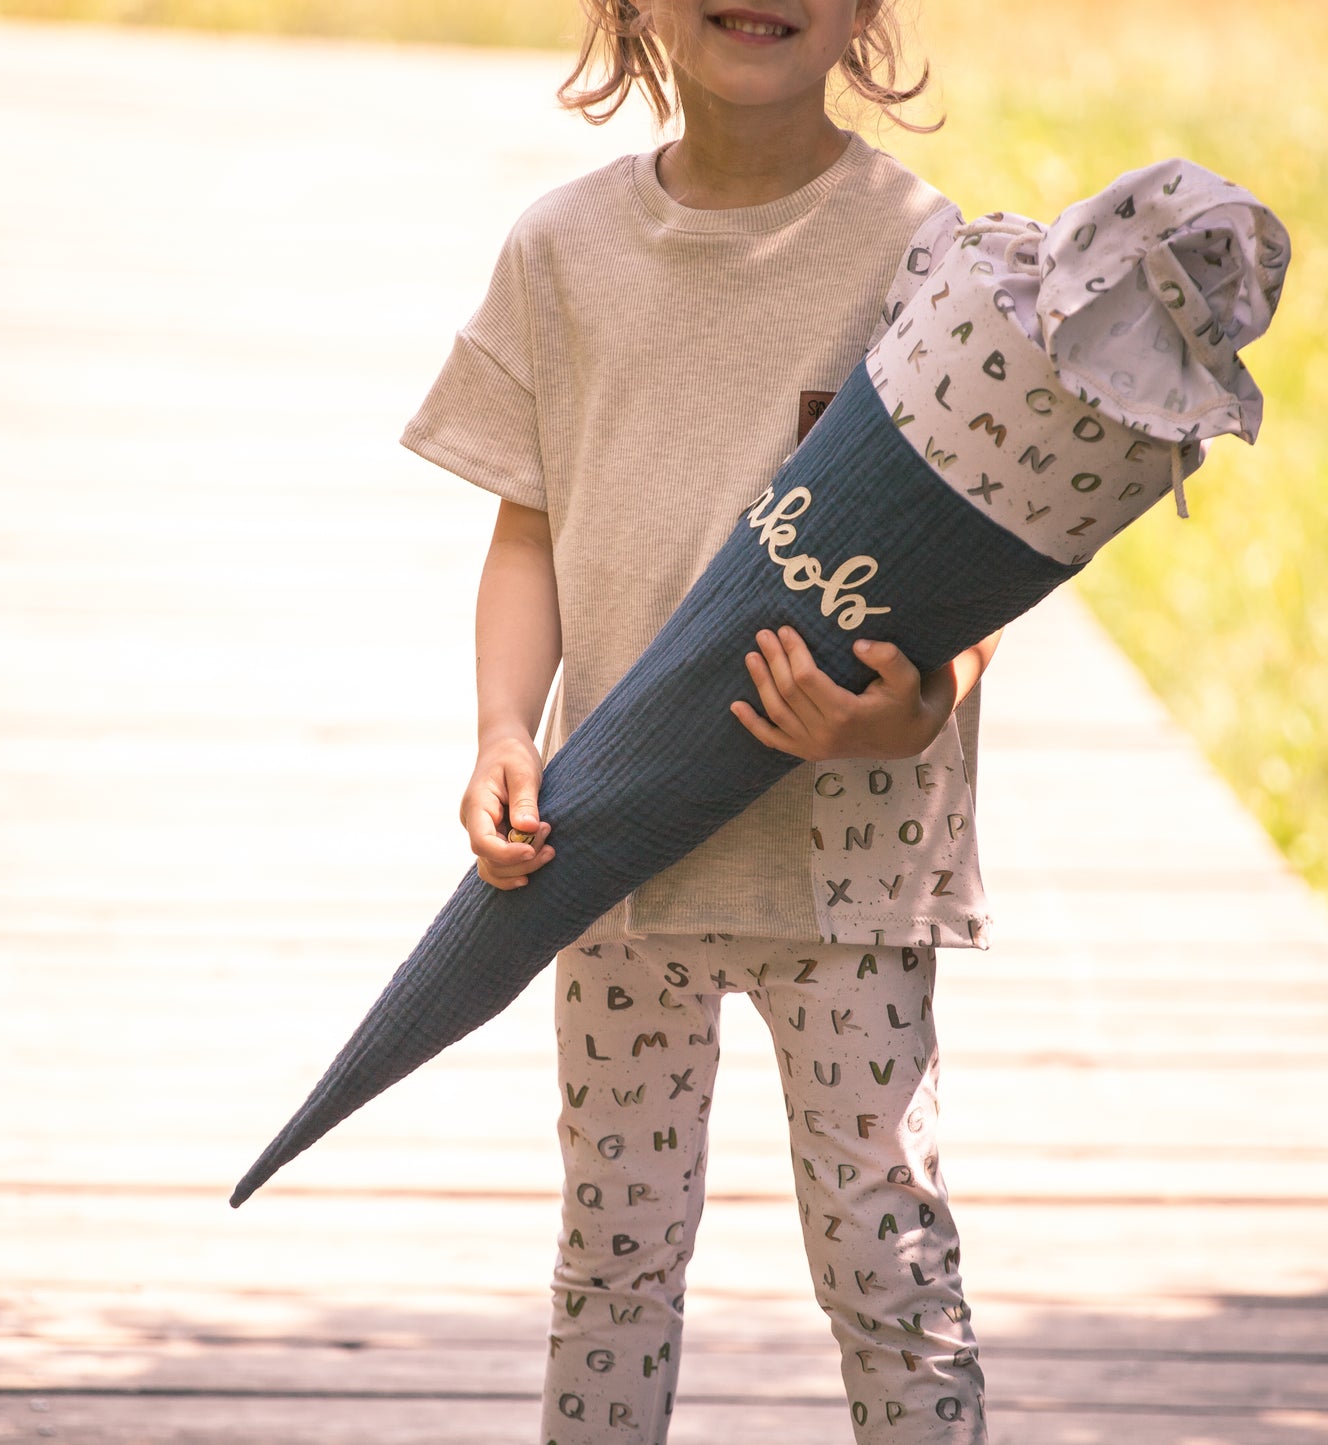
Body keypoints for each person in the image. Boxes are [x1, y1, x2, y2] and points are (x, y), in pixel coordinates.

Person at [400, 2, 1002, 1438]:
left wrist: (901, 713)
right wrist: (502, 727)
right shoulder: (563, 252)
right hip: (615, 849)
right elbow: (529, 530)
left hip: (845, 870)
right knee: (611, 1263)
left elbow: (986, 553)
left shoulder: (933, 257)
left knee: (889, 1262)